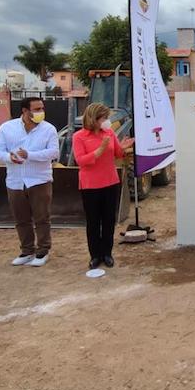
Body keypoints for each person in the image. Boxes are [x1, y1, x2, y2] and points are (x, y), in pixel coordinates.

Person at [0, 97, 59, 267]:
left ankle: (43, 250)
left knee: (42, 218)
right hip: (15, 181)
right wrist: (9, 157)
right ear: (24, 111)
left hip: (40, 180)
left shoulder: (49, 129)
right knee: (21, 218)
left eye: (41, 108)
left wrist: (30, 155)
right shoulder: (7, 128)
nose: (40, 112)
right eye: (36, 109)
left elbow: (53, 152)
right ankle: (27, 250)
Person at [72, 103, 134, 270]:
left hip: (110, 182)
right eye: (104, 118)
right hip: (90, 185)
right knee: (93, 222)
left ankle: (107, 253)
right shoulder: (79, 136)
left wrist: (124, 147)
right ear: (94, 119)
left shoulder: (109, 132)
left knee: (108, 220)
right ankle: (95, 255)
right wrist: (99, 150)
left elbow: (117, 154)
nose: (107, 121)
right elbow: (81, 161)